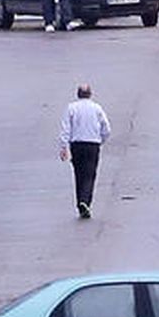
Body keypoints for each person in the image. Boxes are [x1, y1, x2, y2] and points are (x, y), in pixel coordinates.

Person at [59, 82, 111, 218]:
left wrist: (64, 147)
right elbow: (106, 128)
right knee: (90, 175)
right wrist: (101, 140)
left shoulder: (71, 108)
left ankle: (80, 203)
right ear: (90, 94)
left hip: (76, 145)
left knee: (79, 174)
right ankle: (85, 201)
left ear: (78, 94)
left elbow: (66, 128)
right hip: (92, 145)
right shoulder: (97, 108)